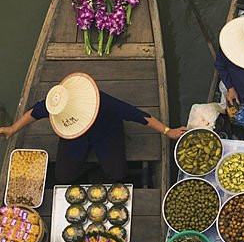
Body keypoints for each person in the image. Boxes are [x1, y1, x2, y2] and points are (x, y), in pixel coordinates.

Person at [0, 72, 186, 183]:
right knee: (63, 176)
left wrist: (167, 131)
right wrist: (12, 129)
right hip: (74, 136)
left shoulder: (102, 102)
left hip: (105, 133)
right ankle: (86, 171)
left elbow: (137, 115)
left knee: (118, 173)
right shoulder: (58, 104)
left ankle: (100, 172)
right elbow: (34, 112)